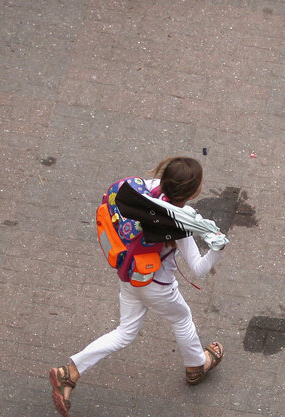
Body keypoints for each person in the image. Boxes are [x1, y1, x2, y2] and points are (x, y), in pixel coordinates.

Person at [49, 157, 225, 417]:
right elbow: (198, 269)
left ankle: (70, 373)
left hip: (130, 275)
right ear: (194, 191)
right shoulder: (179, 226)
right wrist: (218, 247)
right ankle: (196, 366)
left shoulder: (145, 191)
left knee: (125, 332)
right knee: (182, 318)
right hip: (157, 286)